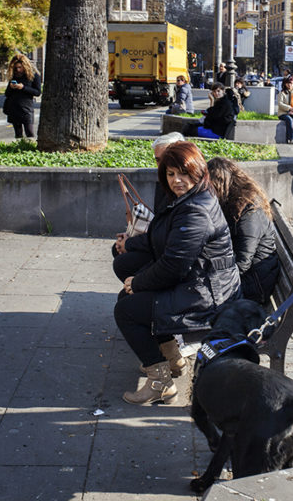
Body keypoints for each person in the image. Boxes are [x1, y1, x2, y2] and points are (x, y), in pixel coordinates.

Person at [114, 141, 241, 405]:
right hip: (200, 283)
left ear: (197, 171)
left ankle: (161, 383)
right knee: (128, 298)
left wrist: (138, 282)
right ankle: (172, 359)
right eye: (170, 174)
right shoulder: (191, 198)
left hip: (208, 296)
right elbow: (162, 238)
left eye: (183, 173)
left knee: (126, 309)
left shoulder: (195, 209)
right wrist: (131, 244)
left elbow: (174, 265)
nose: (176, 180)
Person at [207, 157, 280, 304]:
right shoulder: (234, 205)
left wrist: (216, 281)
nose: (208, 192)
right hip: (249, 278)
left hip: (254, 285)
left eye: (210, 187)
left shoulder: (250, 211)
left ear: (222, 185)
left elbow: (243, 262)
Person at [112, 132, 185, 262]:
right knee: (118, 249)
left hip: (172, 250)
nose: (161, 164)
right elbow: (159, 225)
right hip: (162, 242)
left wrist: (131, 243)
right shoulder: (164, 183)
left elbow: (167, 235)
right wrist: (131, 238)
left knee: (123, 260)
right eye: (158, 160)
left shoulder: (182, 186)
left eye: (166, 159)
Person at [3, 54, 42, 140]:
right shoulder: (13, 76)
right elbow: (7, 94)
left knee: (30, 132)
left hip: (26, 108)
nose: (18, 70)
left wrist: (23, 88)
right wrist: (11, 87)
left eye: (20, 67)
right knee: (18, 134)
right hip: (13, 107)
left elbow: (37, 92)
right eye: (16, 68)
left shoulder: (33, 76)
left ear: (25, 66)